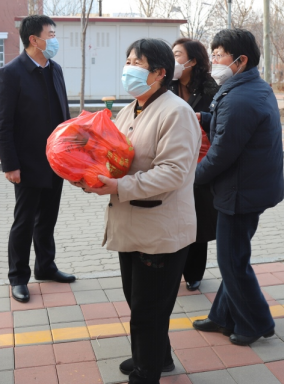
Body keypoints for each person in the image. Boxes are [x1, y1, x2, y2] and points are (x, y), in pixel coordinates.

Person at [74, 39, 201, 383]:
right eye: (128, 61)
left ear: (160, 73)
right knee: (139, 302)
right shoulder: (131, 109)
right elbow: (115, 157)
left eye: (137, 63)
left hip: (159, 229)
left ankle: (146, 373)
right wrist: (88, 173)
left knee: (148, 311)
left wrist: (117, 187)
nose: (128, 68)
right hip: (131, 225)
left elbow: (173, 173)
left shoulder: (176, 112)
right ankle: (158, 356)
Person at [193, 28, 284, 346]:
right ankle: (222, 316)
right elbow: (232, 126)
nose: (214, 61)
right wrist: (204, 118)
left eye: (219, 55)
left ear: (240, 60)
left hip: (240, 192)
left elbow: (221, 153)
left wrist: (191, 178)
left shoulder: (241, 97)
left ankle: (256, 322)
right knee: (234, 258)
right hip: (249, 187)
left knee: (232, 261)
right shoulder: (250, 87)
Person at [0, 14, 75, 303]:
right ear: (33, 40)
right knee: (24, 221)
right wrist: (10, 164)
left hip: (56, 161)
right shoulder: (10, 74)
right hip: (26, 163)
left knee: (48, 218)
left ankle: (45, 266)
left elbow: (64, 114)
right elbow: (1, 124)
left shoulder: (55, 70)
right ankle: (18, 277)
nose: (54, 40)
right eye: (50, 35)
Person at [170, 38, 219, 291]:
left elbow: (220, 123)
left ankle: (194, 273)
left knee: (199, 219)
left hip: (201, 164)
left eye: (177, 54)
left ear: (193, 61)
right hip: (172, 160)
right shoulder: (166, 86)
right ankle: (172, 270)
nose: (173, 59)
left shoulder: (211, 88)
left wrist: (203, 118)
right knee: (173, 219)